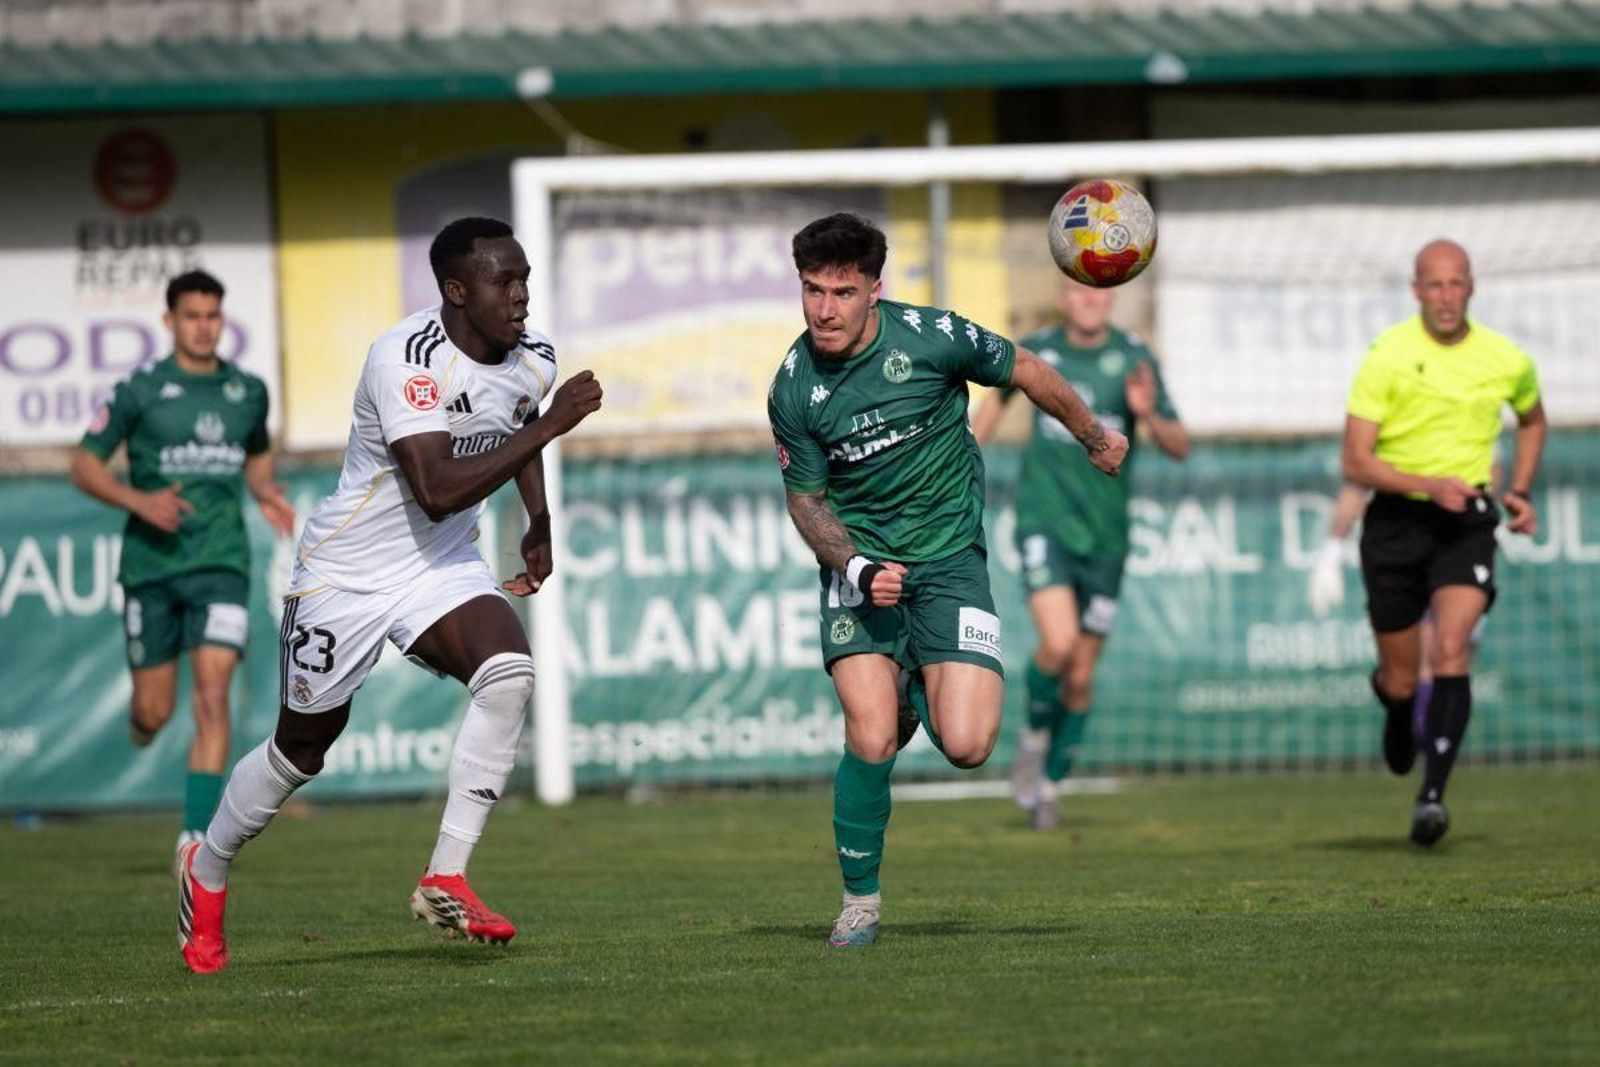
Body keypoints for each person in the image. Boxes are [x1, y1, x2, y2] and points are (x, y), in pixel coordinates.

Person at [174, 217, 604, 973]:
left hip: (438, 566)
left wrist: (537, 518)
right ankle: (206, 867)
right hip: (347, 573)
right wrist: (555, 427)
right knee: (300, 750)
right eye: (505, 282)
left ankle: (446, 874)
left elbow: (520, 416)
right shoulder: (404, 360)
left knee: (509, 674)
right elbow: (437, 489)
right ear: (456, 290)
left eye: (526, 278)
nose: (521, 296)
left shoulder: (534, 357)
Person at [768, 213, 1128, 948]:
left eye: (842, 291)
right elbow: (805, 499)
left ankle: (915, 685)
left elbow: (1025, 368)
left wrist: (1092, 434)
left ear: (875, 290)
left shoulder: (934, 337)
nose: (824, 308)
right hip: (860, 569)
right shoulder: (794, 387)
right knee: (869, 736)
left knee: (967, 744)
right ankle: (859, 903)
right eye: (812, 290)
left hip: (951, 559)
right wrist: (857, 565)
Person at [71, 270, 295, 868]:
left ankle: (194, 836)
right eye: (192, 316)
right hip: (152, 566)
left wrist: (265, 492)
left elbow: (256, 456)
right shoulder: (139, 392)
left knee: (214, 695)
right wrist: (139, 500)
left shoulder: (247, 391)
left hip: (221, 562)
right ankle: (141, 725)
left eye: (213, 315)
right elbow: (84, 465)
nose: (204, 326)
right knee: (155, 711)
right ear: (170, 322)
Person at [1342, 238, 1544, 847]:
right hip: (1398, 522)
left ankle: (1432, 796)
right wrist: (1427, 486)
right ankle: (1398, 708)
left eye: (1456, 283)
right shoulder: (1388, 356)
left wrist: (1523, 490)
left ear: (1472, 287)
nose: (1446, 296)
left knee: (1453, 646)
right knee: (1402, 680)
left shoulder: (1506, 358)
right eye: (1434, 285)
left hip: (1468, 522)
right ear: (1416, 291)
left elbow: (1533, 420)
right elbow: (1355, 460)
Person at [971, 278, 1187, 830]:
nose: (1088, 300)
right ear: (1062, 297)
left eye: (1097, 291)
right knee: (1060, 644)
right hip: (1045, 521)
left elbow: (1178, 444)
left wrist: (1148, 414)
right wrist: (961, 460)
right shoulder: (1039, 351)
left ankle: (1048, 786)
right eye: (1076, 290)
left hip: (1107, 536)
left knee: (1082, 676)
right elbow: (990, 410)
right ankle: (1032, 738)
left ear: (1110, 296)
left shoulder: (1134, 357)